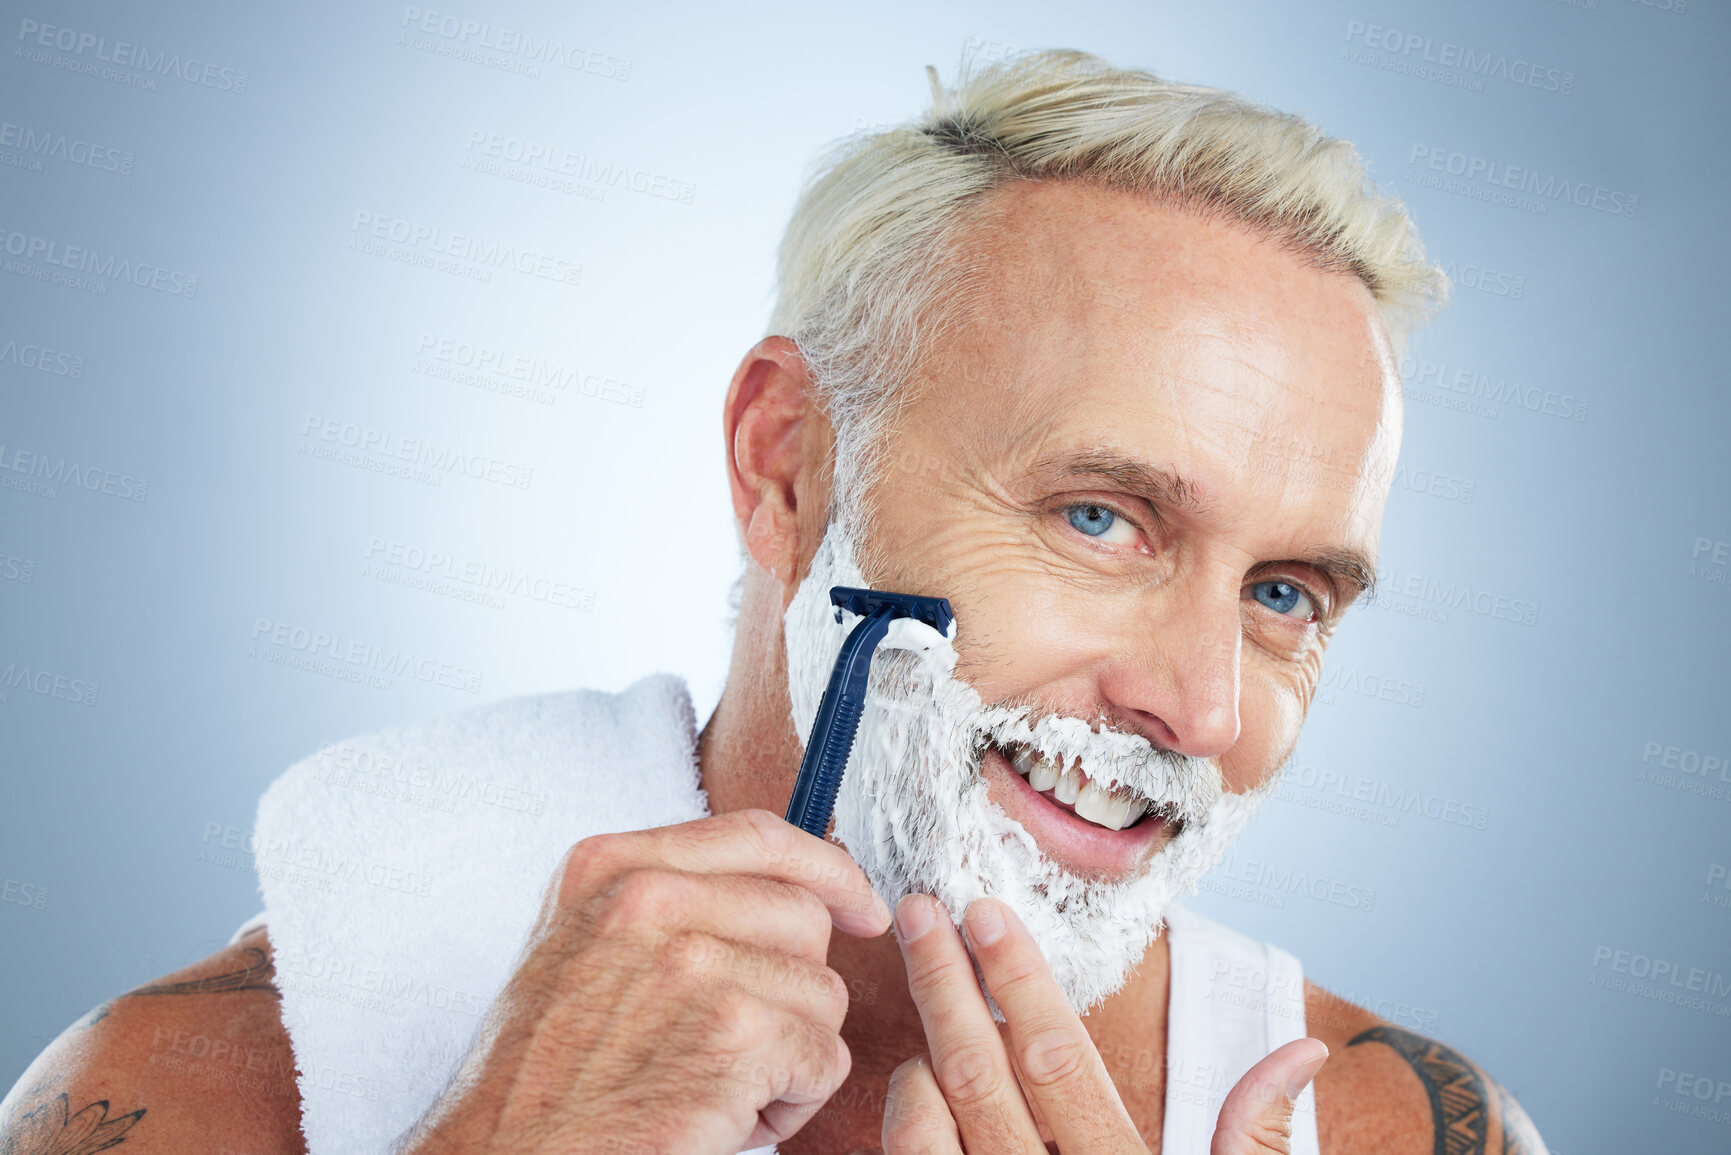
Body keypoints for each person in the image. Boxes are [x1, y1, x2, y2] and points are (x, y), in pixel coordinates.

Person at [0, 50, 1547, 1154]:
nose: (1201, 709)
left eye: (1286, 592)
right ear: (788, 466)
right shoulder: (196, 1092)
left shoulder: (1393, 1129)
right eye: (1102, 517)